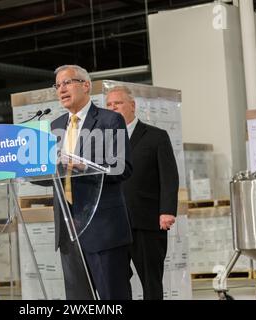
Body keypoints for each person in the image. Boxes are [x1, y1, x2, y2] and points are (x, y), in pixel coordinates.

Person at [50, 65, 133, 300]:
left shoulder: (109, 120)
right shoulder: (55, 126)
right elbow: (50, 179)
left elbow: (123, 168)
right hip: (68, 231)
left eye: (67, 83)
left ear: (85, 85)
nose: (61, 89)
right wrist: (32, 168)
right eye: (57, 85)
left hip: (103, 229)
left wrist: (85, 166)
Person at [106, 85, 179, 300]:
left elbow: (169, 177)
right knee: (116, 280)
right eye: (108, 105)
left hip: (146, 222)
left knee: (150, 281)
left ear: (132, 105)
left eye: (117, 103)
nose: (112, 108)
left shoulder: (156, 137)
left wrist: (167, 211)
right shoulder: (104, 141)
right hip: (114, 225)